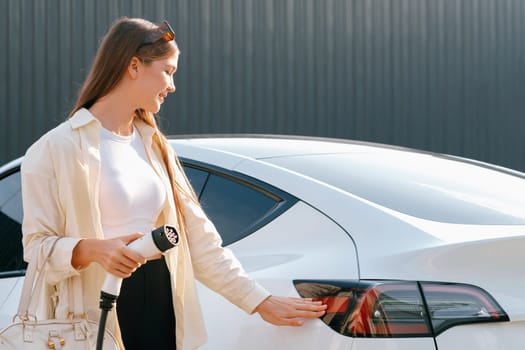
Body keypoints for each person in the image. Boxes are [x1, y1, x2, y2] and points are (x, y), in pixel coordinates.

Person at [20, 17, 326, 350]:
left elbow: (199, 238)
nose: (172, 85)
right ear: (133, 66)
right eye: (168, 71)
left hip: (158, 297)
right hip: (95, 309)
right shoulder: (55, 148)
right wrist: (94, 249)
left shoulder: (155, 145)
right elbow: (35, 248)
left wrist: (260, 301)